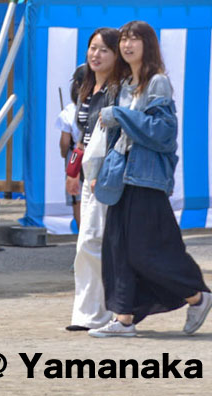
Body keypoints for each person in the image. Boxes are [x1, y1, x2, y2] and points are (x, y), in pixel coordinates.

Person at [90, 20, 212, 338]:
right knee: (118, 250)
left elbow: (163, 134)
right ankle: (124, 319)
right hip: (122, 178)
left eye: (134, 39)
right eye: (124, 40)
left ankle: (197, 296)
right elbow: (117, 138)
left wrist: (121, 115)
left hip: (146, 179)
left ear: (148, 44)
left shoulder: (157, 82)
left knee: (148, 250)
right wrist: (99, 172)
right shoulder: (124, 85)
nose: (127, 45)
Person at [66, 30, 120, 332]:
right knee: (86, 243)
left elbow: (115, 137)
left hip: (105, 174)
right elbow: (82, 138)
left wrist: (101, 171)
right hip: (88, 173)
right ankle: (87, 313)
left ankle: (97, 314)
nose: (95, 54)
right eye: (92, 48)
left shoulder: (117, 90)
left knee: (92, 241)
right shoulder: (86, 85)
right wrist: (72, 172)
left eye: (103, 50)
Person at [57, 63, 88, 227]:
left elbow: (64, 142)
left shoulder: (68, 112)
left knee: (77, 199)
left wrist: (64, 154)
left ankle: (82, 237)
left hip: (74, 156)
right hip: (94, 156)